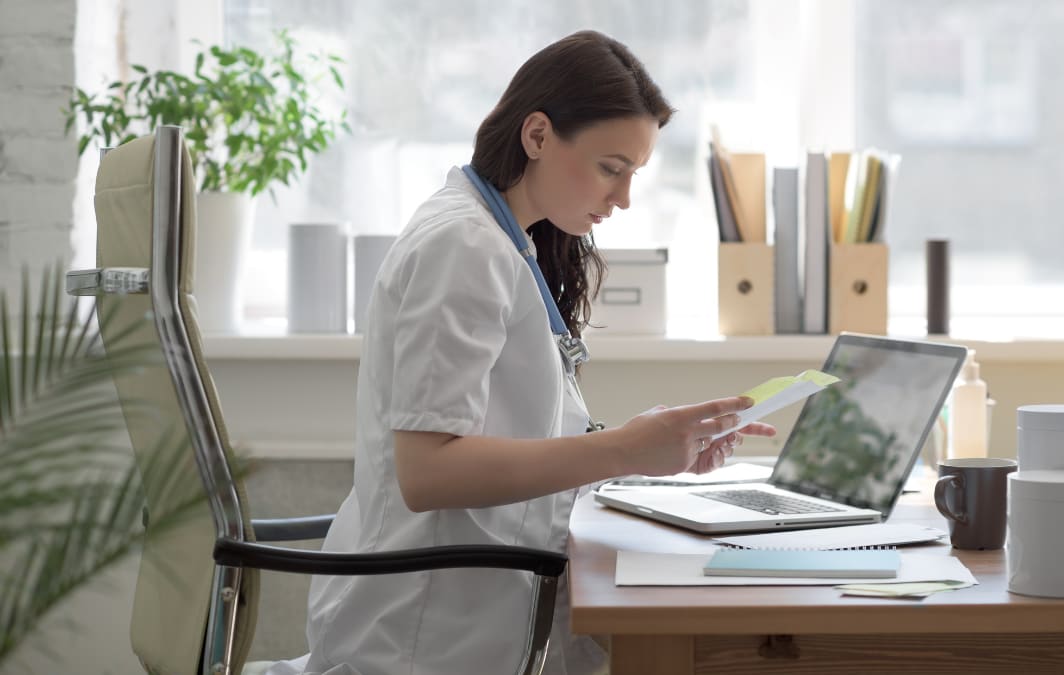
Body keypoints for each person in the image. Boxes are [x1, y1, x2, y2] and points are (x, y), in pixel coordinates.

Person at [269, 30, 775, 675]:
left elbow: (504, 431)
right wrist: (623, 448)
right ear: (537, 135)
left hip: (478, 605)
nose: (621, 198)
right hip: (427, 637)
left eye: (633, 175)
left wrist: (649, 450)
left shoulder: (506, 241)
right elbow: (428, 474)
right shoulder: (464, 246)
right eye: (609, 168)